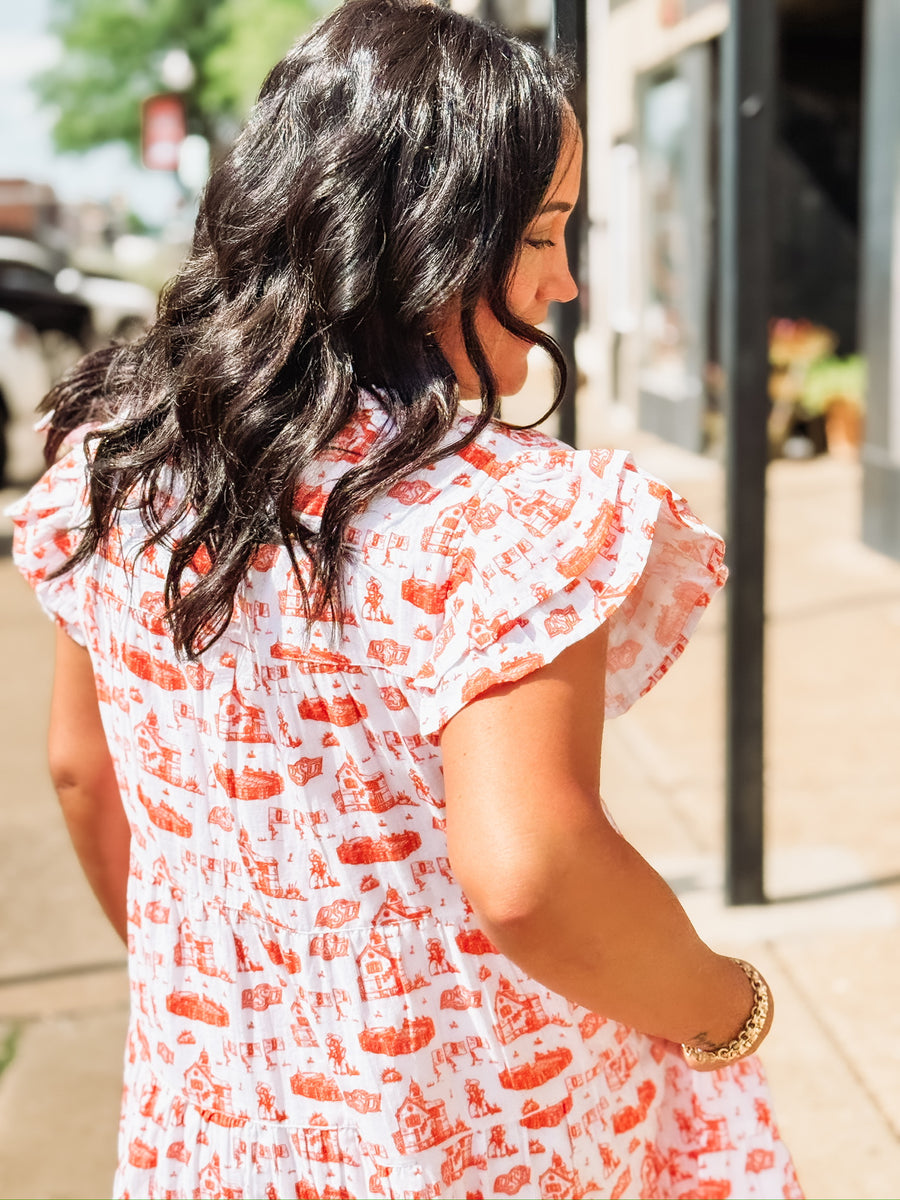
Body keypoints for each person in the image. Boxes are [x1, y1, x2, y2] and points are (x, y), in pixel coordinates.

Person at [11, 2, 803, 1196]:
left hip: (220, 1128)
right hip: (488, 1143)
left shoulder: (120, 467)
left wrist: (235, 1017)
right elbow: (534, 873)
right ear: (418, 241)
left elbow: (85, 773)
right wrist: (724, 1004)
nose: (568, 281)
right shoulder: (507, 514)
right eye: (538, 238)